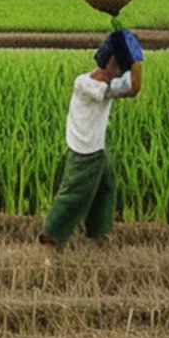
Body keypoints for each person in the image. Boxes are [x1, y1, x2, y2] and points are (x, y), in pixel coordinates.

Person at [39, 29, 143, 249]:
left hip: (97, 147)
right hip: (84, 149)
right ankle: (49, 239)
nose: (119, 71)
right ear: (109, 63)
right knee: (73, 195)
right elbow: (129, 89)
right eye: (117, 65)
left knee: (106, 185)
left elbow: (133, 87)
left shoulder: (109, 83)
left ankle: (97, 234)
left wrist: (133, 59)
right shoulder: (85, 84)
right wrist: (135, 60)